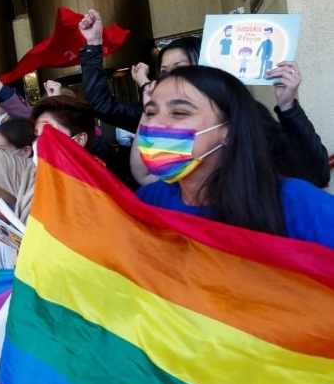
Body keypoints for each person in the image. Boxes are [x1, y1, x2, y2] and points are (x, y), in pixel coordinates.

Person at [78, 9, 330, 188]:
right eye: (164, 72)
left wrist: (287, 106)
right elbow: (102, 105)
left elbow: (316, 173)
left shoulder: (243, 114)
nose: (171, 79)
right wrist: (93, 45)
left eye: (180, 68)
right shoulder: (157, 118)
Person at [135, 66, 334, 250]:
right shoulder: (145, 202)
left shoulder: (297, 204)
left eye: (179, 112)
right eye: (151, 112)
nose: (155, 124)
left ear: (229, 132)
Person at [0, 63, 111, 221]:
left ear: (79, 139)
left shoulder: (102, 189)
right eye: (37, 134)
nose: (41, 141)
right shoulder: (29, 174)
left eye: (50, 131)